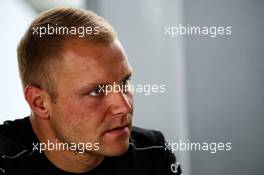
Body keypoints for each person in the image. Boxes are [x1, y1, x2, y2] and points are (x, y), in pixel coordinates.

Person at [0, 7, 182, 175]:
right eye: (97, 91)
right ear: (39, 103)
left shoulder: (152, 152)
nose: (124, 107)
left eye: (124, 82)